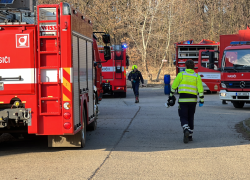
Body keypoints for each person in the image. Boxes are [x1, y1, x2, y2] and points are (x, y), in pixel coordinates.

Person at [168, 60, 204, 143]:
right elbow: (200, 89)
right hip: (193, 100)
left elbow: (174, 85)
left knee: (183, 116)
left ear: (186, 66)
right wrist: (201, 99)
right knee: (191, 116)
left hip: (183, 99)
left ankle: (185, 129)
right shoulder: (197, 76)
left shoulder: (181, 75)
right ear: (194, 67)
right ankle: (190, 136)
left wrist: (171, 95)